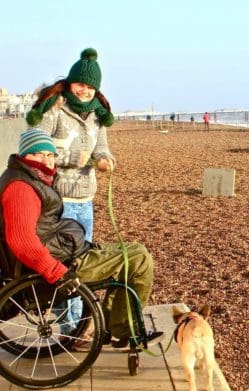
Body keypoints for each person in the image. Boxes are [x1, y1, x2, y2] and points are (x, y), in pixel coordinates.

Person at [0, 129, 164, 350]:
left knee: (131, 252)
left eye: (50, 155)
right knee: (139, 258)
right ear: (24, 155)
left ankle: (113, 327)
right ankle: (123, 330)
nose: (46, 160)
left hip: (61, 253)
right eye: (38, 154)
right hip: (56, 265)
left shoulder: (27, 179)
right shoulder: (21, 188)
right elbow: (21, 240)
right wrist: (56, 272)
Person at [26, 48, 116, 335]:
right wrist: (66, 160)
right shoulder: (55, 109)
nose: (85, 91)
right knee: (65, 265)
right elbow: (35, 145)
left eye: (91, 87)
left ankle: (77, 326)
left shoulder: (98, 116)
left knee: (83, 262)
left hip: (85, 199)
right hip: (56, 199)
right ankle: (69, 328)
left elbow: (102, 147)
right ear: (71, 81)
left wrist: (104, 160)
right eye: (81, 84)